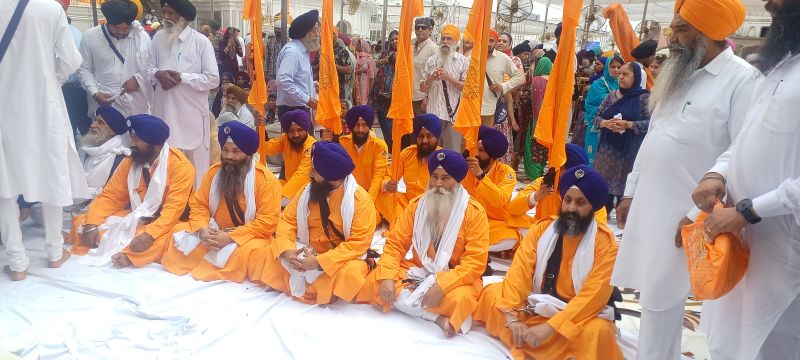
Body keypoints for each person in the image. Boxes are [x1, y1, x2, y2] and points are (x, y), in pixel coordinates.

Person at [610, 1, 760, 358]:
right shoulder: (680, 73)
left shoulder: (742, 80)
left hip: (686, 217)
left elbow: (742, 153)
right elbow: (654, 138)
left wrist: (696, 220)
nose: (671, 38)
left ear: (706, 33)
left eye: (681, 30)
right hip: (651, 205)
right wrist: (630, 193)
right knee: (653, 296)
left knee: (662, 300)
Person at [691, 1, 800, 358]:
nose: (768, 3)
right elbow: (746, 139)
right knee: (730, 341)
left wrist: (749, 211)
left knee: (773, 343)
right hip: (742, 240)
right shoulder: (781, 66)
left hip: (784, 249)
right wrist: (715, 173)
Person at [474, 165, 622, 360]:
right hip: (537, 303)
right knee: (492, 293)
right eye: (567, 200)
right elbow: (519, 272)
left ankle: (530, 344)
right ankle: (535, 342)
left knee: (598, 331)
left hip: (574, 315)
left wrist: (550, 327)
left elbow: (593, 296)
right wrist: (511, 318)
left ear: (593, 207)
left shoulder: (605, 243)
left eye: (580, 203)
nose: (570, 208)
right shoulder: (542, 229)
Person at [358, 149, 489, 337]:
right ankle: (435, 317)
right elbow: (395, 244)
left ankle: (416, 306)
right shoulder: (417, 205)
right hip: (419, 270)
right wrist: (387, 276)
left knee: (459, 300)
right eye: (434, 176)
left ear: (458, 181)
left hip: (455, 278)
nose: (437, 184)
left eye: (446, 178)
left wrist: (442, 285)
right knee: (378, 281)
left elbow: (475, 263)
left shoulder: (474, 213)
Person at [0, 0, 87, 280]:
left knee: (5, 182)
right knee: (52, 171)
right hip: (44, 105)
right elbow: (72, 60)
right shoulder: (50, 8)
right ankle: (53, 251)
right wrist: (52, 78)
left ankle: (16, 262)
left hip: (3, 107)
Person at [249, 141, 377, 305]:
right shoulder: (307, 191)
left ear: (331, 176)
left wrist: (319, 262)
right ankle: (312, 286)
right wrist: (288, 250)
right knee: (268, 252)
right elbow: (287, 221)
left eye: (315, 171)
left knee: (351, 274)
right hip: (306, 250)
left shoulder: (360, 201)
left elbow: (358, 244)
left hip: (338, 259)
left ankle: (307, 286)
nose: (309, 173)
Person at [67, 115, 195, 268]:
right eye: (132, 139)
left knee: (175, 237)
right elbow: (110, 196)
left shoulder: (181, 167)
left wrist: (150, 234)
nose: (132, 144)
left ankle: (132, 255)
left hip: (168, 222)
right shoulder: (131, 161)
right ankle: (126, 247)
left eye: (137, 140)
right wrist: (92, 223)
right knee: (82, 222)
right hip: (138, 216)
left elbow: (173, 211)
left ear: (154, 144)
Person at [159, 122, 281, 282]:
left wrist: (231, 237)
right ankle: (208, 260)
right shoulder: (213, 173)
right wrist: (202, 230)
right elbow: (199, 204)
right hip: (214, 231)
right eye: (225, 150)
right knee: (178, 230)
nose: (229, 156)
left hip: (247, 237)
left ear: (248, 154)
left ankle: (216, 265)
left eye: (236, 151)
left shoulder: (267, 181)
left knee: (255, 251)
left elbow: (267, 222)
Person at [150, 0, 219, 186]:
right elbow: (147, 69)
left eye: (171, 13)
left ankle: (198, 206)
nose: (166, 17)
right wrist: (158, 74)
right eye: (164, 12)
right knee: (165, 165)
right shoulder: (157, 38)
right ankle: (167, 205)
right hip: (164, 113)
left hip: (191, 116)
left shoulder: (201, 42)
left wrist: (183, 78)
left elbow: (213, 79)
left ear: (184, 18)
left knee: (197, 168)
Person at [79, 0, 154, 118]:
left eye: (126, 28)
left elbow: (151, 66)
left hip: (136, 107)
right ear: (107, 21)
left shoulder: (142, 37)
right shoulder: (90, 37)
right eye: (116, 27)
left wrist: (138, 80)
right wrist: (95, 93)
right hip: (104, 107)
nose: (121, 31)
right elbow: (84, 70)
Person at [592, 62, 650, 213]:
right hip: (606, 153)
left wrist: (629, 125)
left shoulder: (644, 98)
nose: (621, 77)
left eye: (626, 74)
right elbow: (596, 118)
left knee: (623, 189)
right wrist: (606, 123)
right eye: (620, 74)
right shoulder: (611, 96)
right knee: (603, 192)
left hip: (628, 153)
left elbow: (652, 123)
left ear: (636, 77)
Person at [510, 144, 608, 228]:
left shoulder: (591, 191)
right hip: (541, 233)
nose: (554, 169)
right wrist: (538, 195)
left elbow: (599, 228)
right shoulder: (544, 183)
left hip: (573, 238)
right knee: (508, 219)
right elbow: (513, 208)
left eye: (559, 167)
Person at [373, 114, 442, 223]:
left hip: (432, 209)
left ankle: (403, 224)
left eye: (429, 136)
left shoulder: (443, 158)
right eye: (421, 136)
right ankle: (404, 223)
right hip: (408, 205)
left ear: (436, 137)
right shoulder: (407, 154)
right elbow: (388, 175)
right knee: (382, 194)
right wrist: (387, 184)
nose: (424, 141)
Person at [462, 126, 520, 252]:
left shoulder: (506, 172)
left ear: (492, 155)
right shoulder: (467, 169)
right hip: (470, 221)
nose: (476, 153)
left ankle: (472, 247)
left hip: (495, 222)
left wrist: (480, 176)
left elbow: (500, 200)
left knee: (510, 238)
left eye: (481, 150)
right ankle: (476, 247)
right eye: (476, 149)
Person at [420, 24, 469, 151]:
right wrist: (431, 78)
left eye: (449, 39)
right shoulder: (431, 61)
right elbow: (422, 88)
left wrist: (449, 78)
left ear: (456, 42)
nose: (445, 42)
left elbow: (466, 87)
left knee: (451, 153)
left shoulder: (463, 61)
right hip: (433, 114)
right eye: (443, 38)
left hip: (453, 115)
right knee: (430, 151)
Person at [481, 29, 524, 165]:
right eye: (499, 40)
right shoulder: (473, 56)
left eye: (492, 40)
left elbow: (519, 77)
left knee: (486, 142)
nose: (490, 43)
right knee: (469, 141)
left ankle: (488, 170)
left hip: (491, 107)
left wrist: (503, 86)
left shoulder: (505, 59)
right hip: (470, 107)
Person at [79, 106, 134, 201]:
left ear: (113, 131)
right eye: (95, 120)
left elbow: (114, 195)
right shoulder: (86, 150)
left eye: (101, 123)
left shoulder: (120, 158)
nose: (93, 125)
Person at [339, 105, 389, 207]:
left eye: (364, 125)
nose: (360, 129)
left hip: (372, 194)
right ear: (352, 125)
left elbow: (378, 176)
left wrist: (368, 202)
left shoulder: (379, 146)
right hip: (348, 193)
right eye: (357, 125)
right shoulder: (343, 143)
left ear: (369, 126)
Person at [264, 109, 317, 203]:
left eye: (299, 130)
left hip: (307, 191)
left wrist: (282, 197)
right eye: (291, 131)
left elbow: (302, 175)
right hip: (289, 185)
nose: (295, 135)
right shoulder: (285, 139)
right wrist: (260, 129)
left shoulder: (312, 147)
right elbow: (266, 149)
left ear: (306, 129)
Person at [275, 9, 320, 119]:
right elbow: (283, 80)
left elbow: (297, 79)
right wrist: (306, 99)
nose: (317, 34)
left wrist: (312, 84)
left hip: (299, 109)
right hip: (293, 110)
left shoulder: (302, 51)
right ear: (304, 32)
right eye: (314, 30)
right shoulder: (293, 52)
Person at [583, 56, 623, 166]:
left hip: (616, 130)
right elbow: (589, 106)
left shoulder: (624, 85)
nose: (616, 70)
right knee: (593, 160)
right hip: (596, 128)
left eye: (619, 67)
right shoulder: (598, 84)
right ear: (607, 67)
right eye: (613, 66)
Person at [521, 56, 553, 180]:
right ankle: (540, 170)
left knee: (532, 145)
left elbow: (524, 100)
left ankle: (533, 173)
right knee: (544, 145)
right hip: (549, 123)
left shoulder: (535, 82)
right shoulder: (554, 82)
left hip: (533, 120)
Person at [371, 30, 398, 152]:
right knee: (382, 121)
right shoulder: (385, 53)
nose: (394, 41)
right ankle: (389, 147)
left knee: (391, 124)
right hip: (380, 93)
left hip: (393, 96)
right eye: (392, 39)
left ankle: (393, 149)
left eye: (396, 39)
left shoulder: (404, 54)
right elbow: (376, 64)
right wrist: (384, 60)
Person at [412, 17, 439, 116]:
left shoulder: (434, 49)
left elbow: (436, 77)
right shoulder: (412, 48)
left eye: (423, 28)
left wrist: (427, 97)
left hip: (423, 99)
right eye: (417, 27)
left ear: (430, 30)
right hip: (410, 96)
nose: (420, 30)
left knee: (422, 129)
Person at [334, 33, 356, 104]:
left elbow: (349, 70)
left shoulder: (343, 52)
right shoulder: (322, 51)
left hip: (343, 86)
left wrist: (332, 65)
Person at [354, 38, 375, 106]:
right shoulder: (356, 57)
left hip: (365, 85)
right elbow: (353, 71)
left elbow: (372, 76)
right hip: (356, 83)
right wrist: (358, 71)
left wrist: (371, 90)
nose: (356, 46)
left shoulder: (369, 59)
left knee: (363, 102)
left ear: (362, 46)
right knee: (357, 101)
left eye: (358, 45)